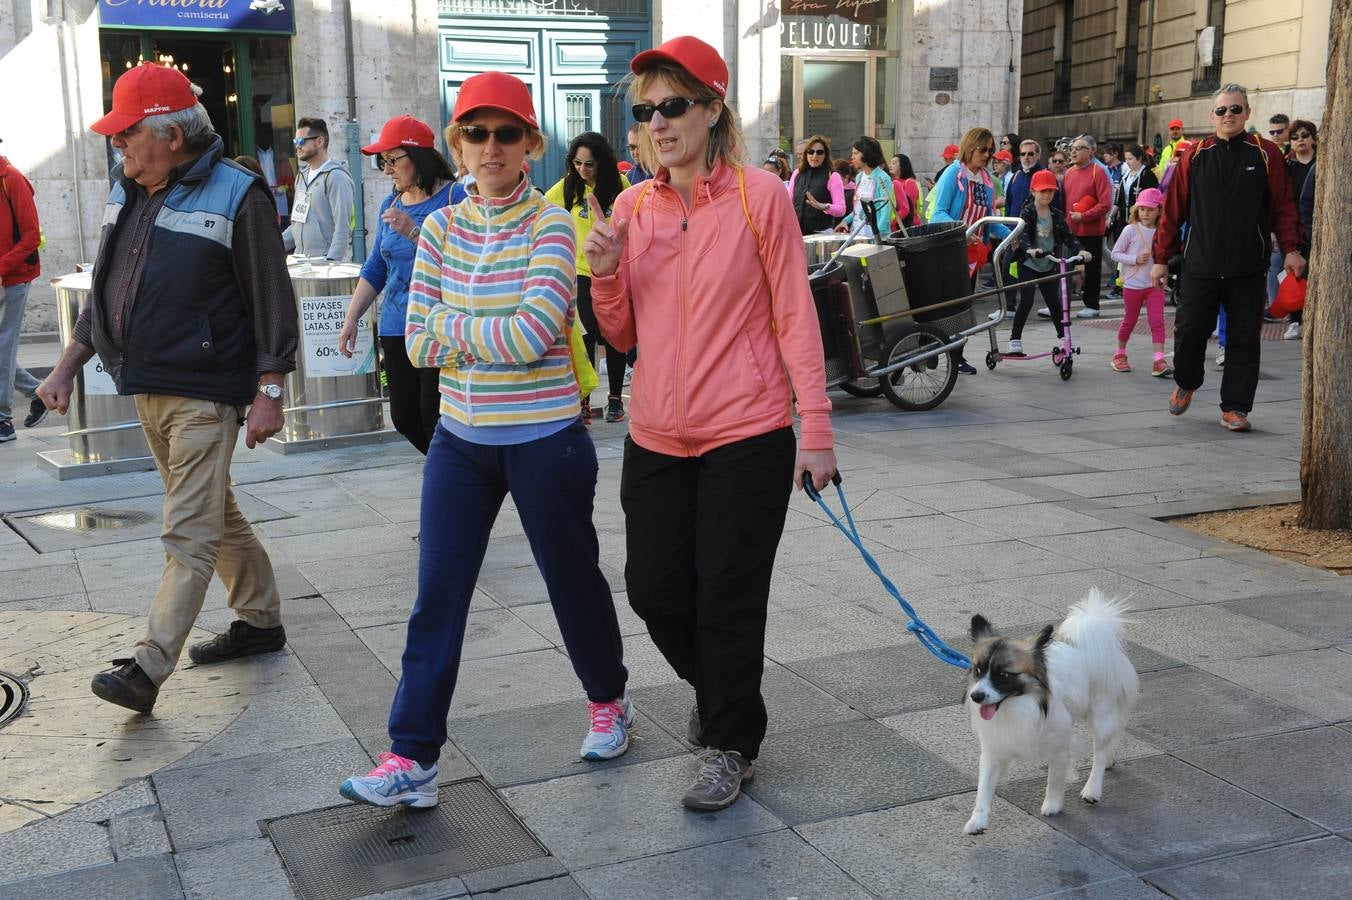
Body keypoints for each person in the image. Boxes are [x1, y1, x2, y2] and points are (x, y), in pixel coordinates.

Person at [338, 71, 632, 809]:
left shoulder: (553, 225)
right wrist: (472, 339)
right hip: (461, 440)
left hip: (545, 437)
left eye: (507, 132)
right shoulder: (436, 228)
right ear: (456, 146)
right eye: (476, 132)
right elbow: (417, 349)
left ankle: (609, 699)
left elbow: (536, 332)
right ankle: (412, 757)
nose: (491, 146)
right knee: (436, 595)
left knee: (572, 579)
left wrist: (455, 334)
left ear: (532, 143)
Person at [585, 35, 836, 811]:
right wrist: (601, 274)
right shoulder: (631, 206)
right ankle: (725, 692)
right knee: (655, 590)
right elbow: (622, 336)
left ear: (712, 108)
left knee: (728, 593)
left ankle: (730, 741)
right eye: (645, 111)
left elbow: (794, 314)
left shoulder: (760, 197)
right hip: (657, 432)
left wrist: (817, 428)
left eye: (673, 106)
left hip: (749, 433)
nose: (657, 123)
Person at [33, 63, 297, 713]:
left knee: (188, 528)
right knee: (214, 509)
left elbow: (272, 297)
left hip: (205, 391)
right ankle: (260, 621)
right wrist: (66, 365)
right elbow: (107, 292)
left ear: (173, 135)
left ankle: (149, 666)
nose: (117, 146)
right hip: (147, 382)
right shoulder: (129, 190)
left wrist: (270, 387)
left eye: (127, 134)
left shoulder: (239, 192)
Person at [1153, 84, 1303, 433]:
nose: (1229, 116)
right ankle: (1187, 381)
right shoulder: (1195, 154)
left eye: (1236, 109)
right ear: (1212, 116)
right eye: (1222, 110)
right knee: (1189, 332)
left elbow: (1283, 205)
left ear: (1247, 113)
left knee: (1244, 338)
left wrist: (1292, 249)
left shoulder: (1266, 154)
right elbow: (1172, 209)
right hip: (1200, 265)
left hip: (1247, 266)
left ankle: (1235, 407)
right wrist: (1161, 257)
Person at [337, 115, 465, 454]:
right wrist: (352, 319)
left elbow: (465, 262)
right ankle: (451, 472)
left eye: (393, 160)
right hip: (396, 326)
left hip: (437, 325)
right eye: (383, 161)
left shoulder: (456, 197)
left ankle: (452, 481)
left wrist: (414, 232)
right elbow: (377, 266)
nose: (387, 169)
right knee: (404, 418)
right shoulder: (390, 204)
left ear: (419, 157)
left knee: (432, 416)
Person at [545, 131, 631, 424]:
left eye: (589, 164)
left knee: (613, 335)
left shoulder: (620, 186)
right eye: (577, 163)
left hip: (613, 271)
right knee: (587, 336)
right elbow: (541, 214)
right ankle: (584, 401)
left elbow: (631, 224)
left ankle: (616, 399)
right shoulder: (565, 189)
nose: (583, 170)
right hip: (581, 273)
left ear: (602, 163)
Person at [928, 127, 1010, 373]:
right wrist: (963, 229)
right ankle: (930, 347)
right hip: (947, 251)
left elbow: (989, 219)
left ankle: (956, 356)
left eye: (990, 151)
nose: (987, 155)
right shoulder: (953, 174)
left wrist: (1012, 237)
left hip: (973, 255)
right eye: (982, 149)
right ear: (969, 147)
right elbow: (937, 213)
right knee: (943, 305)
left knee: (964, 308)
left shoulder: (986, 181)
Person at [1006, 169, 1087, 355]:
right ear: (1033, 191)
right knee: (1026, 301)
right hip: (1028, 263)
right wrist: (1029, 249)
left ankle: (1063, 338)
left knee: (1054, 303)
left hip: (1049, 262)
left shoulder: (1056, 214)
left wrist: (1081, 250)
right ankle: (1015, 339)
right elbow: (1023, 233)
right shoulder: (1027, 212)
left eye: (1050, 191)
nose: (1047, 195)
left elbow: (1069, 236)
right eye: (1043, 191)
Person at [0, 142, 45, 442]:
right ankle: (38, 392)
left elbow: (31, 236)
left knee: (3, 347)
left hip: (13, 279)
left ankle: (4, 421)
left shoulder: (11, 179)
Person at [1109, 188, 1171, 376]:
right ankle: (1119, 354)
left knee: (1157, 321)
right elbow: (1115, 253)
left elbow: (1165, 257)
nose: (1145, 213)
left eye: (1150, 209)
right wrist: (1134, 259)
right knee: (1129, 320)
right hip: (1133, 285)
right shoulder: (1130, 230)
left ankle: (1159, 360)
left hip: (1154, 285)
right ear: (1136, 210)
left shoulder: (1162, 231)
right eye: (1142, 209)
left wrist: (1165, 273)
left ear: (1159, 210)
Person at [283, 116, 355, 261]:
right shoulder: (301, 176)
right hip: (301, 266)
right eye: (295, 142)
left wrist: (330, 264)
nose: (298, 146)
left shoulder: (336, 177)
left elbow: (343, 229)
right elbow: (297, 224)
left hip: (325, 268)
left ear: (320, 141)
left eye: (302, 141)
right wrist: (271, 245)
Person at [1061, 134, 1113, 318]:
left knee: (1092, 269)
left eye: (1079, 148)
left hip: (1091, 230)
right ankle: (1061, 303)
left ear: (1091, 151)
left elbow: (1105, 203)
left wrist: (1083, 216)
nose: (1073, 152)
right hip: (1070, 229)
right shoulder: (1068, 172)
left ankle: (1092, 305)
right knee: (1064, 267)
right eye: (1072, 148)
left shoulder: (1097, 172)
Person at [1276, 119, 1315, 340]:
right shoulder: (1286, 168)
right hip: (1291, 230)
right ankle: (1295, 321)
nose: (1300, 139)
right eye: (1295, 137)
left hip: (1317, 229)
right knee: (1294, 276)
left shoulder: (1322, 164)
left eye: (1305, 135)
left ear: (1313, 139)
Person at [835, 136, 893, 238]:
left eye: (856, 153)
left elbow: (885, 212)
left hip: (875, 237)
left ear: (867, 154)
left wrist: (877, 237)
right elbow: (859, 208)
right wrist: (845, 221)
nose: (852, 157)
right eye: (852, 153)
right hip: (858, 234)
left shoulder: (883, 178)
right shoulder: (859, 177)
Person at [788, 134, 845, 235]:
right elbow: (788, 201)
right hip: (797, 232)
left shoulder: (833, 176)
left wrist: (824, 207)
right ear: (806, 154)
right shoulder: (797, 173)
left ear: (825, 155)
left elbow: (841, 209)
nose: (814, 156)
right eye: (811, 152)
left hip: (821, 233)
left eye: (819, 152)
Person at [888, 152, 921, 229]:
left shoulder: (909, 182)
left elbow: (908, 209)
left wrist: (891, 222)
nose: (890, 166)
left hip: (908, 225)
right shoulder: (893, 182)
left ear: (902, 166)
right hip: (897, 224)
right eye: (890, 163)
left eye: (894, 163)